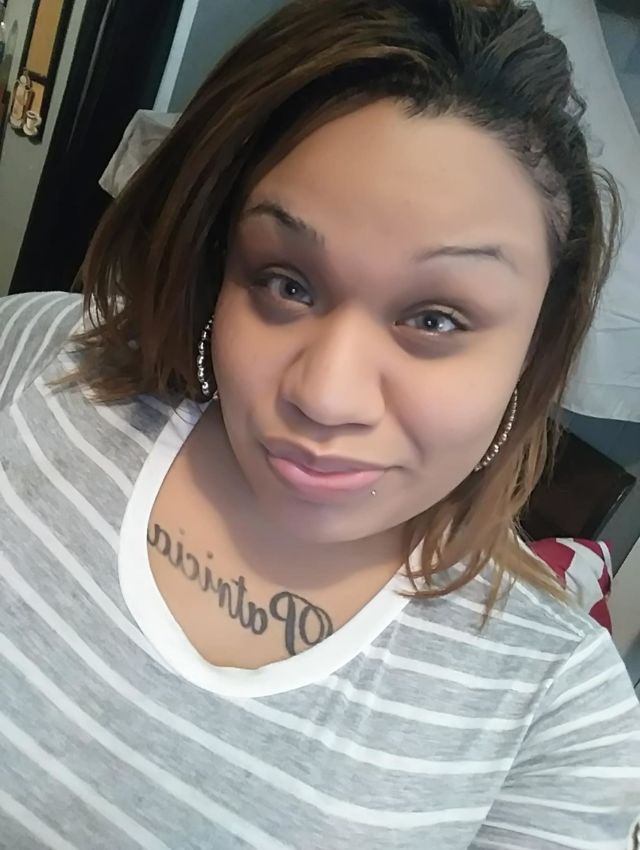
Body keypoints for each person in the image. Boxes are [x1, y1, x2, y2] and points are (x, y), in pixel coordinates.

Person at [1, 0, 639, 846]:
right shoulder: (35, 357)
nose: (327, 396)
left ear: (534, 348)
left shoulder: (560, 719)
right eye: (285, 282)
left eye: (437, 318)